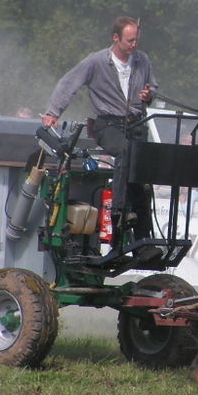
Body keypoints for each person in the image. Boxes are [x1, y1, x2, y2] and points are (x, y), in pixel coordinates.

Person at [41, 16, 157, 241]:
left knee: (142, 178)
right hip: (108, 124)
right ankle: (119, 212)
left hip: (136, 124)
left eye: (136, 40)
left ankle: (144, 238)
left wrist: (148, 94)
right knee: (125, 151)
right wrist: (53, 112)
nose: (134, 45)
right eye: (130, 41)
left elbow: (152, 86)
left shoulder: (142, 60)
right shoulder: (95, 62)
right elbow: (68, 84)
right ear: (116, 38)